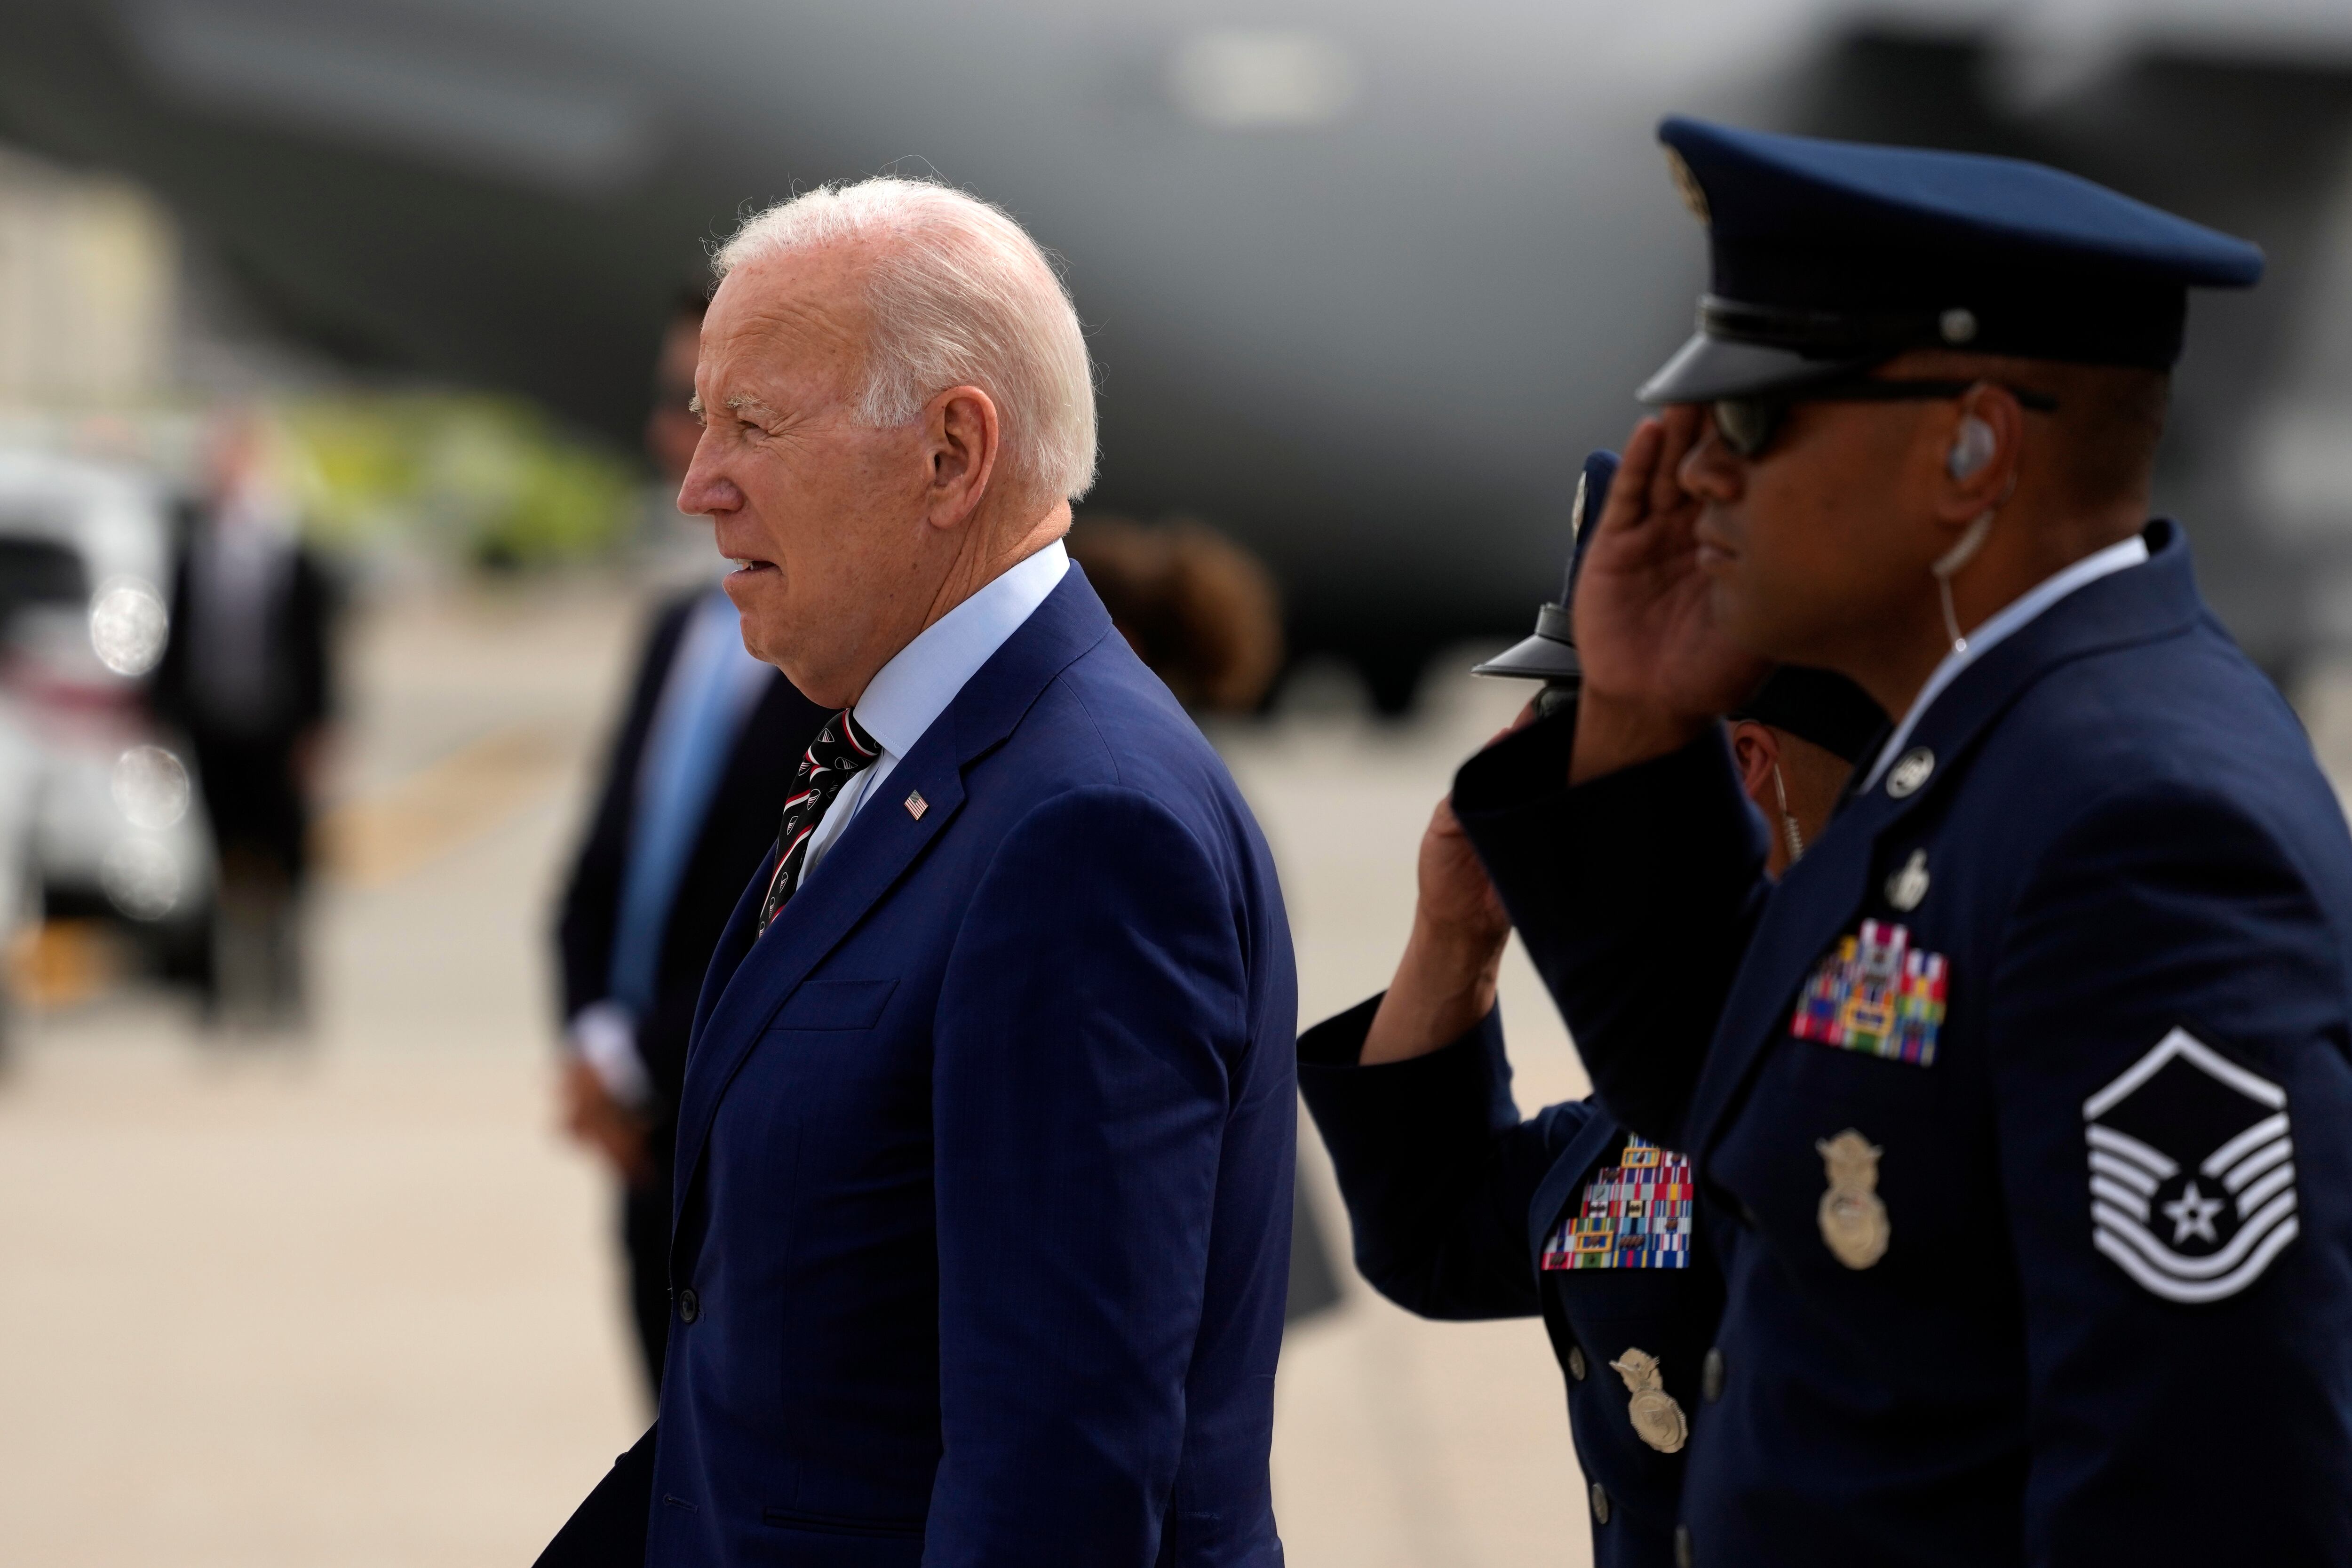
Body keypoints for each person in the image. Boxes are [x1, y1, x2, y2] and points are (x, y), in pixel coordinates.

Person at [1452, 117, 2352, 1565]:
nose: (1698, 481)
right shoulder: (1986, 745)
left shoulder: (2136, 822)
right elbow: (1726, 1098)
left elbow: (2202, 1477)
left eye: (1751, 421)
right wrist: (1629, 710)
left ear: (1974, 445)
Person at [538, 177, 1296, 1568]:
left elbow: (1055, 1473)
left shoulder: (1085, 829)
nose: (700, 480)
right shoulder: (897, 751)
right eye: (703, 420)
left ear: (952, 454)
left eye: (753, 423)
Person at [1297, 453, 1882, 1567]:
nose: (1517, 776)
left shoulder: (1869, 1055)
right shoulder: (1667, 1092)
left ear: (1742, 766)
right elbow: (1434, 1235)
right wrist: (1457, 934)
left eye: (1576, 731)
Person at [552, 287, 834, 1397]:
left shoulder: (839, 646)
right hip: (639, 1152)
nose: (687, 447)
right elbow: (599, 876)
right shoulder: (674, 626)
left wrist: (632, 1063)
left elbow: (795, 907)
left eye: (731, 415)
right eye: (685, 405)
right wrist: (586, 1043)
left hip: (743, 1139)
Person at [151, 409, 334, 1030]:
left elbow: (316, 649)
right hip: (215, 723)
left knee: (284, 859)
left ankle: (284, 990)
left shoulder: (285, 547)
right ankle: (221, 992)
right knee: (220, 858)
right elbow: (176, 640)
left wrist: (317, 728)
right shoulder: (196, 547)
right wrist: (164, 713)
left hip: (275, 727)